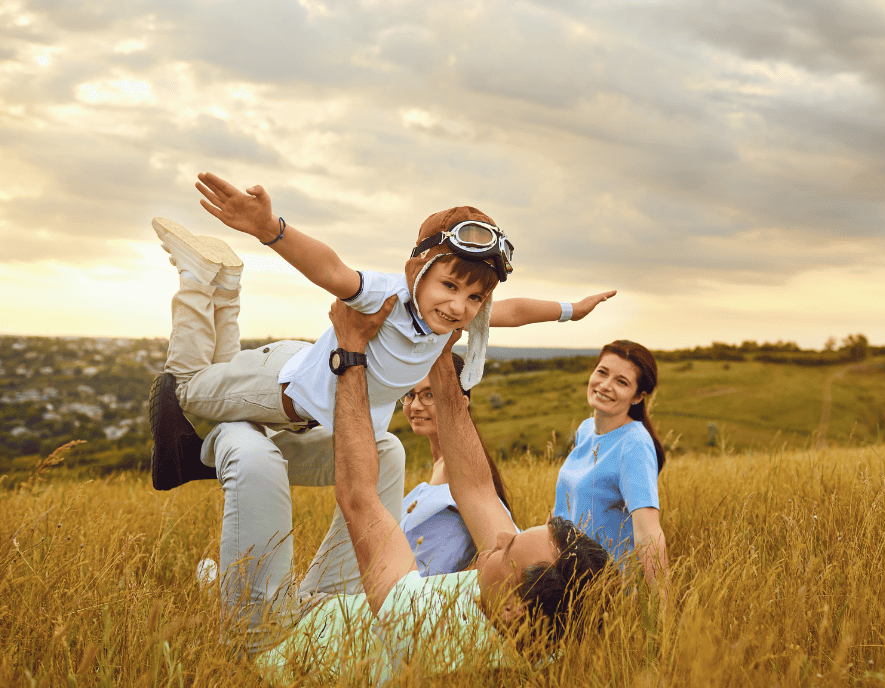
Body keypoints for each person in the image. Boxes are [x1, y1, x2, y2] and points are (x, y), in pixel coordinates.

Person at [149, 171, 616, 491]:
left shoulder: (445, 318)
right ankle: (198, 277)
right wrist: (271, 229)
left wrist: (571, 310)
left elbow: (513, 310)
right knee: (189, 389)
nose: (460, 306)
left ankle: (225, 282)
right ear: (418, 271)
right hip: (275, 389)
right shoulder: (388, 298)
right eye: (449, 286)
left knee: (222, 377)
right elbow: (332, 270)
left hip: (301, 399)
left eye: (474, 298)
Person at [250, 297, 611, 682]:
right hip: (322, 605)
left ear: (512, 610)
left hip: (283, 650)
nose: (503, 534)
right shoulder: (534, 616)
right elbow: (475, 489)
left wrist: (350, 351)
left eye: (507, 548)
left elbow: (358, 497)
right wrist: (440, 352)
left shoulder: (420, 626)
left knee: (245, 450)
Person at [553, 340, 669, 588]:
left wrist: (662, 612)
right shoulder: (585, 430)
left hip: (606, 587)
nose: (605, 386)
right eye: (602, 372)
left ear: (638, 396)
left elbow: (648, 532)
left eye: (621, 382)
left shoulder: (634, 444)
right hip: (567, 577)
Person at [398, 353, 514, 576]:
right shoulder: (442, 464)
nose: (415, 406)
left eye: (429, 395)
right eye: (410, 394)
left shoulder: (459, 469)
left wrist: (456, 584)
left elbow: (498, 542)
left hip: (433, 598)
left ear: (462, 403)